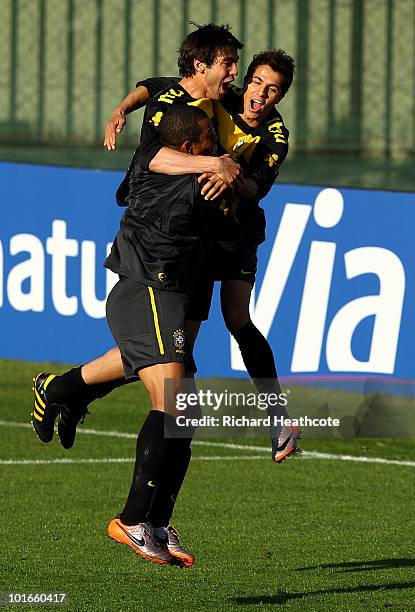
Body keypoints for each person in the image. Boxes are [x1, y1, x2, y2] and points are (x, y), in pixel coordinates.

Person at [32, 28, 297, 460]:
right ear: (245, 80)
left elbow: (257, 186)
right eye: (256, 82)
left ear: (280, 97)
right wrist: (122, 107)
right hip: (196, 234)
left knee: (236, 318)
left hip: (234, 234)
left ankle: (277, 416)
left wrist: (232, 178)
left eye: (274, 90)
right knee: (170, 352)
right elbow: (158, 87)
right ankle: (68, 389)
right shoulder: (218, 98)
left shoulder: (274, 135)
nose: (261, 95)